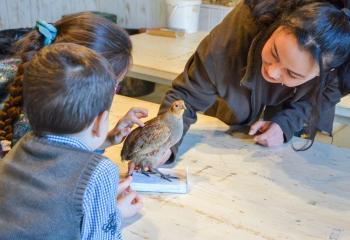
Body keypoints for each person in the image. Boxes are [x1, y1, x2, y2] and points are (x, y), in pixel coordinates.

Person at [155, 0, 350, 165]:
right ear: (279, 25)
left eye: (292, 73)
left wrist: (286, 123)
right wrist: (162, 145)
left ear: (327, 73)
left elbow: (324, 94)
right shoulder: (232, 39)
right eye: (274, 52)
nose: (272, 72)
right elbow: (186, 96)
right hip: (243, 54)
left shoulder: (339, 69)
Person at [0, 43, 145, 239]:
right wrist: (115, 213)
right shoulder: (101, 171)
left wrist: (99, 198)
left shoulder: (23, 143)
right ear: (100, 122)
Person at [0, 12, 138, 156]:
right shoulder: (41, 114)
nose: (112, 93)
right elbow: (53, 166)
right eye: (114, 86)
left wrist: (107, 139)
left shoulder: (45, 88)